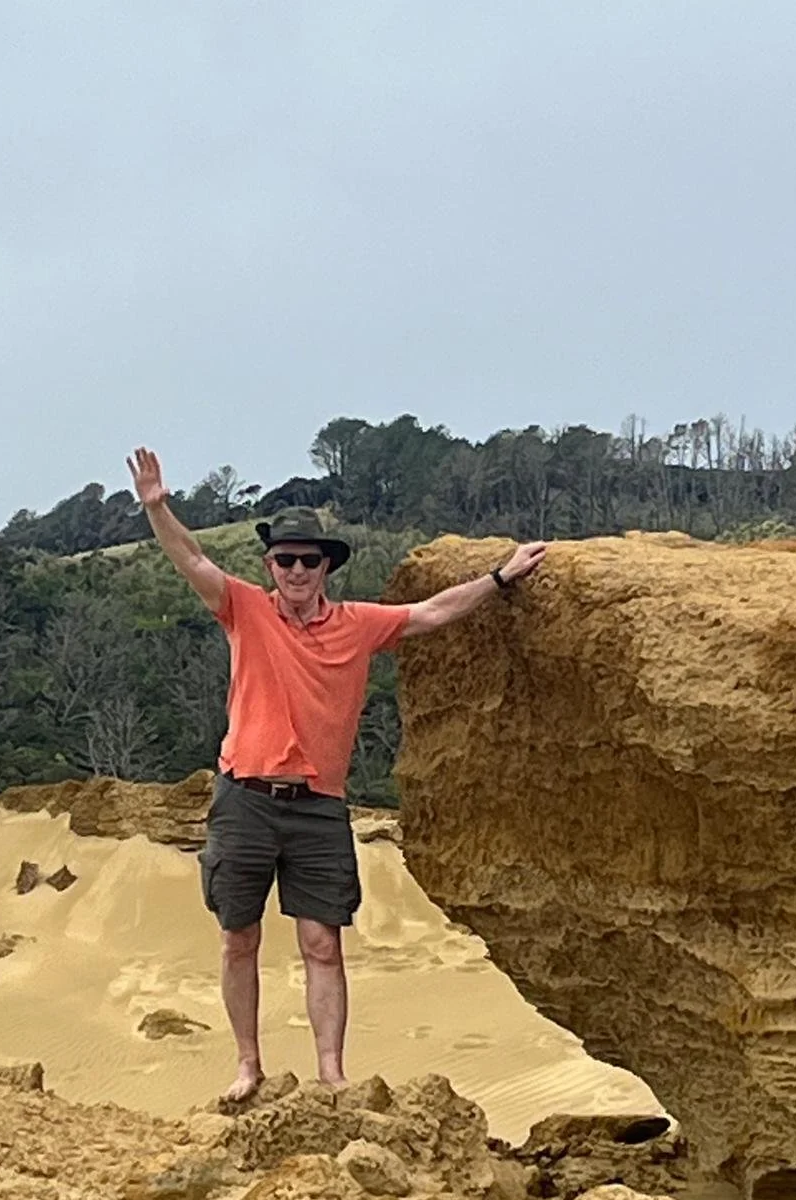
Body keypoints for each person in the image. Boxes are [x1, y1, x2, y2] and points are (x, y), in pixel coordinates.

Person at [127, 446, 546, 1100]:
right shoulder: (245, 609)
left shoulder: (356, 626)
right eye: (285, 559)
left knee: (322, 943)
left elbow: (430, 613)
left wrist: (500, 579)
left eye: (309, 560)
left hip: (319, 806)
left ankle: (331, 1072)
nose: (296, 569)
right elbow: (192, 560)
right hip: (245, 798)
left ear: (327, 567)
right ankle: (247, 1066)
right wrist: (158, 508)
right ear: (270, 565)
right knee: (239, 937)